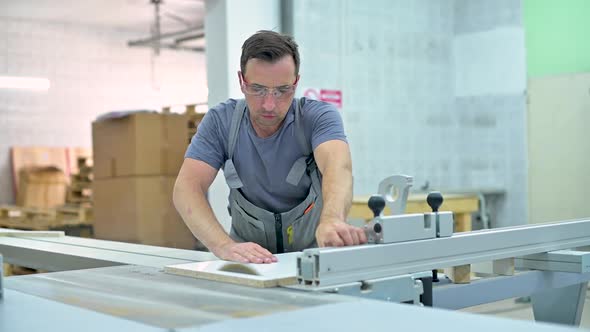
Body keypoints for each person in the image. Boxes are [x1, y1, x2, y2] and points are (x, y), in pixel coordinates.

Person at [173, 30, 366, 264]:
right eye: (258, 89)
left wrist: (332, 219)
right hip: (246, 263)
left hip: (313, 258)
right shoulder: (220, 122)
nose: (269, 104)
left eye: (282, 90)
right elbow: (187, 187)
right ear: (241, 81)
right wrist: (223, 246)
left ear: (296, 83)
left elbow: (339, 168)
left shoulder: (318, 117)